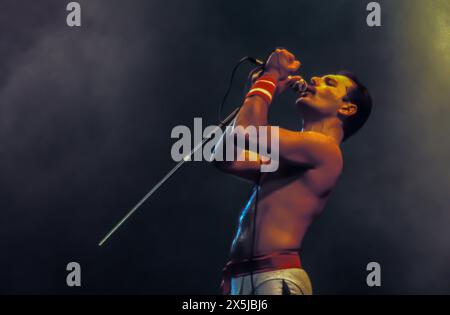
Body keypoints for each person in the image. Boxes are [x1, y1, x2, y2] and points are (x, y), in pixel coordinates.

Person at [211, 48, 372, 295]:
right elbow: (223, 159)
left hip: (273, 278)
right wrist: (259, 91)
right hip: (240, 279)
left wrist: (270, 77)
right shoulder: (295, 153)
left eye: (329, 83)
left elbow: (246, 133)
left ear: (347, 108)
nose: (315, 79)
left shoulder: (324, 149)